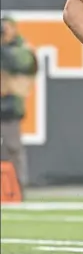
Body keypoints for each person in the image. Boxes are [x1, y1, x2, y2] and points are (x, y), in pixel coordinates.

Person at [0, 17, 38, 193]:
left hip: (9, 106)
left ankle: (17, 188)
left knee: (13, 148)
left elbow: (22, 62)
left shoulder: (21, 48)